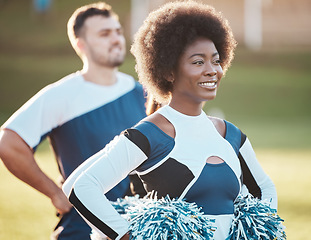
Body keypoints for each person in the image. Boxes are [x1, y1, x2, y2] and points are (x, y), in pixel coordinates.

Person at [62, 1, 278, 240]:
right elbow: (82, 188)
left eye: (216, 60)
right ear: (168, 71)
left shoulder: (230, 135)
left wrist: (258, 229)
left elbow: (265, 189)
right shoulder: (149, 134)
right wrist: (129, 236)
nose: (212, 70)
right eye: (198, 62)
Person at [0, 2, 146, 240]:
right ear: (81, 44)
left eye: (118, 31)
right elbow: (8, 143)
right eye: (105, 33)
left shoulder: (141, 92)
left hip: (135, 229)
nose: (116, 39)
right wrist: (55, 193)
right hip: (82, 230)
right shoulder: (62, 94)